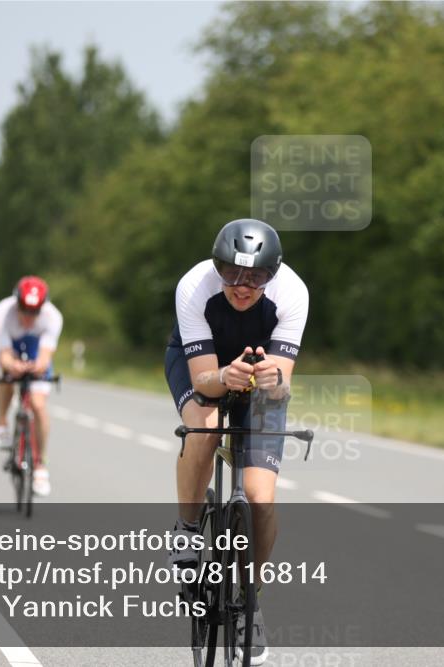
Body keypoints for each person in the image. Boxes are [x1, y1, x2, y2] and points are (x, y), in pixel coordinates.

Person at [165, 218, 308, 665]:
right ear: (217, 266)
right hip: (204, 367)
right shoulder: (194, 286)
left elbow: (282, 387)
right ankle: (188, 531)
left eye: (257, 277)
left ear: (273, 275)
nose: (243, 287)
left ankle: (251, 600)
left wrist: (273, 380)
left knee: (261, 498)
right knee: (203, 429)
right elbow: (204, 380)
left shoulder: (293, 294)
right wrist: (224, 376)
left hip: (260, 383)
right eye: (232, 274)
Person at [0, 276, 63, 497]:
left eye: (35, 312)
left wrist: (35, 367)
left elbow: (44, 357)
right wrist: (13, 366)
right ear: (16, 303)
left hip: (35, 347)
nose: (29, 316)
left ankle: (40, 466)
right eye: (24, 310)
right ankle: (2, 422)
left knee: (38, 405)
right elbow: (4, 356)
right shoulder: (1, 314)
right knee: (7, 377)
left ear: (43, 308)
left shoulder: (53, 317)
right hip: (9, 344)